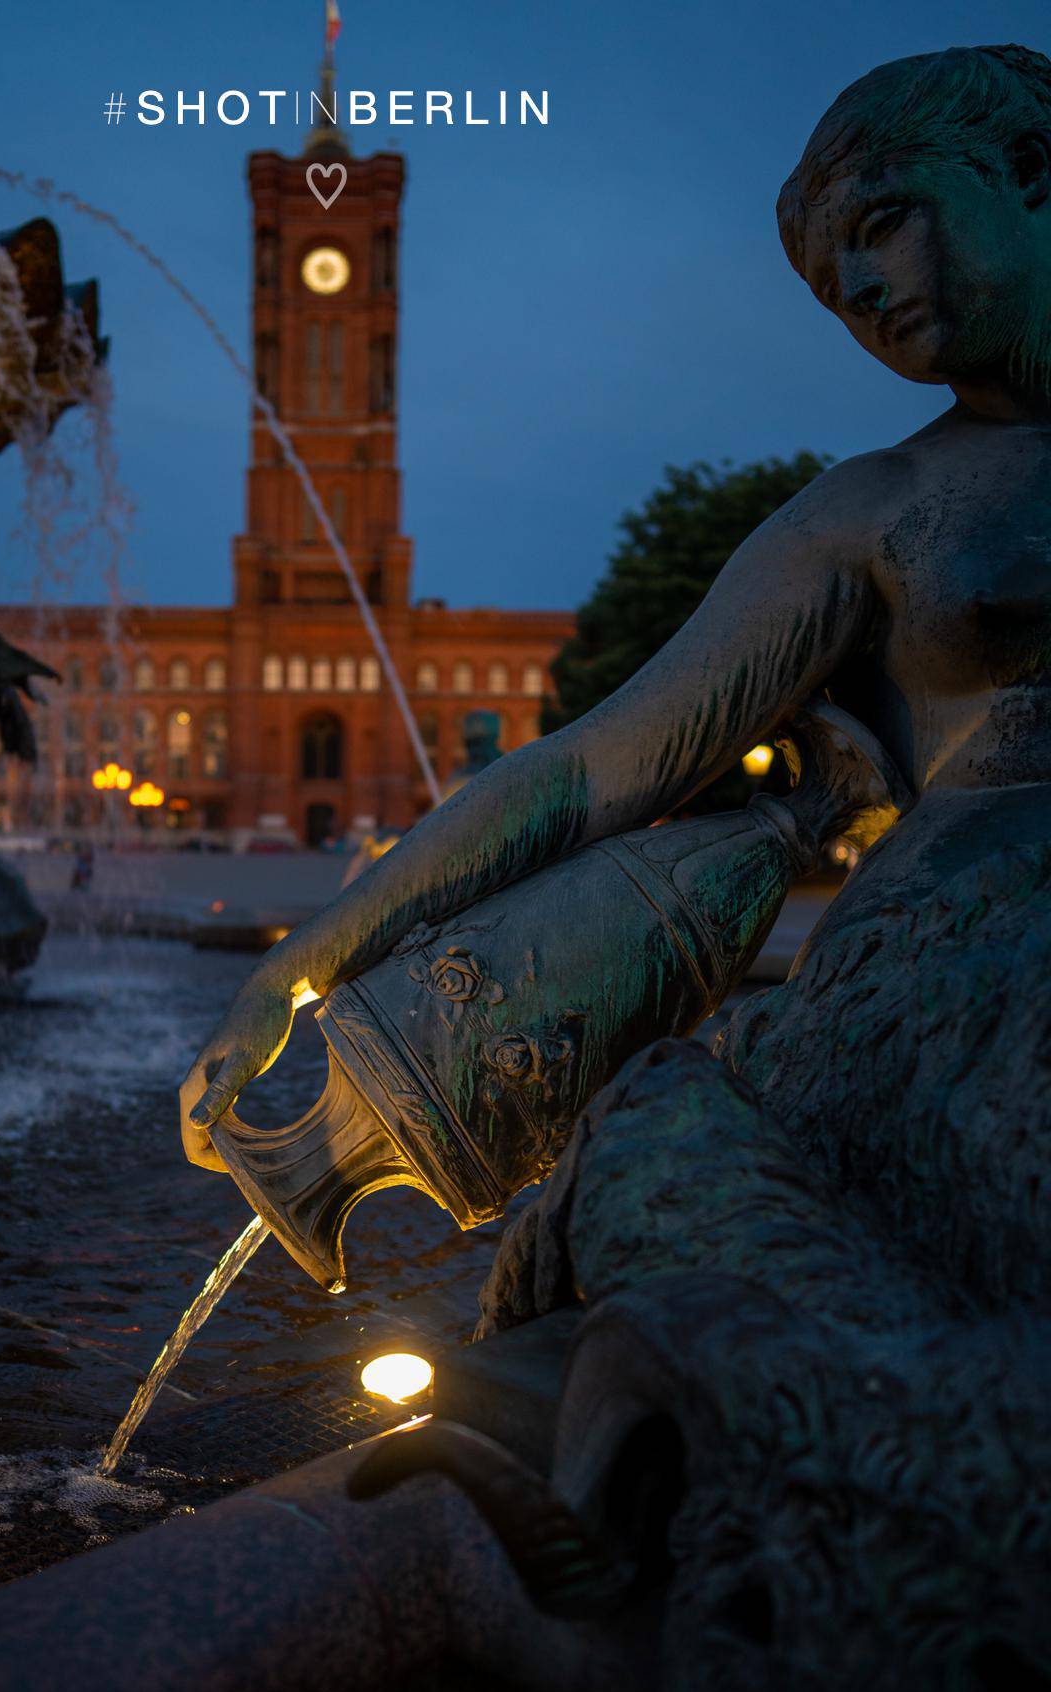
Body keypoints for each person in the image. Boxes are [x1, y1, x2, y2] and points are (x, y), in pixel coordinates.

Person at [181, 44, 1051, 1186]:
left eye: (881, 226)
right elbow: (586, 772)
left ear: (1030, 169)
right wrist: (289, 971)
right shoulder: (871, 515)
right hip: (952, 1031)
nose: (866, 292)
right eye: (835, 289)